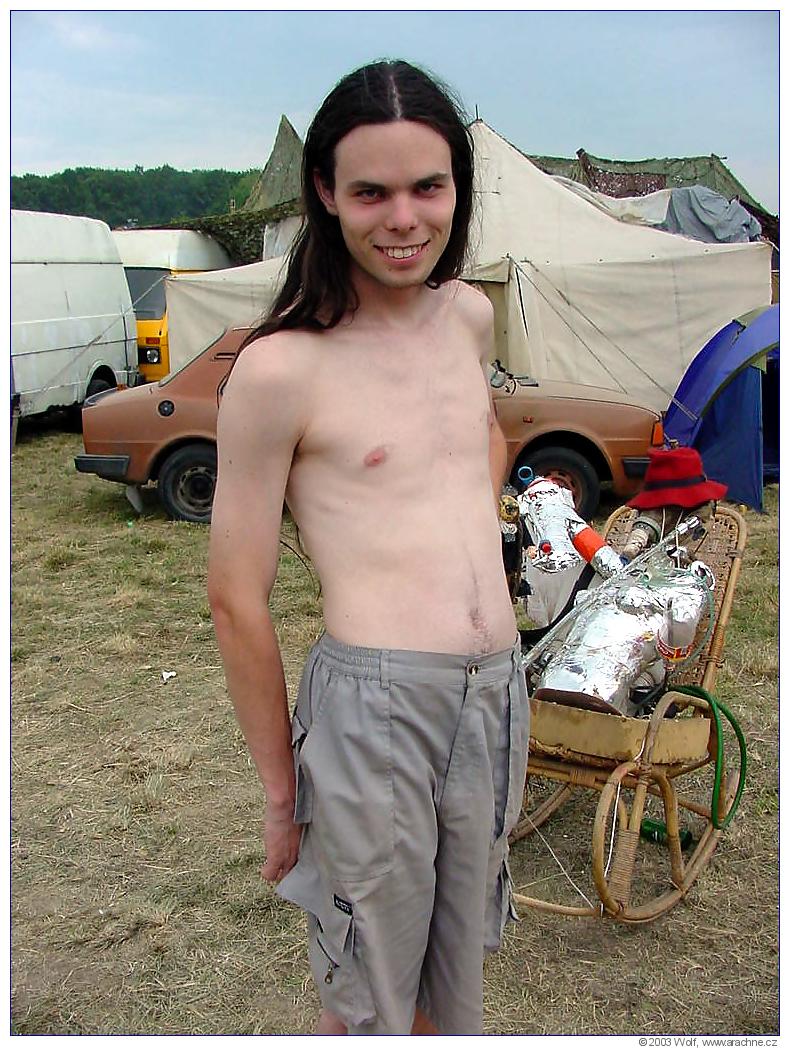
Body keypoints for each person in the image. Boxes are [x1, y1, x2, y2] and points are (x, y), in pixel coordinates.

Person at [207, 59, 529, 1036]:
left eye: (428, 187)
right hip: (378, 711)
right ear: (324, 192)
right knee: (371, 1001)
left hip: (494, 695)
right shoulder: (279, 369)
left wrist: (451, 539)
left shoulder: (467, 315)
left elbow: (482, 435)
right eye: (371, 192)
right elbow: (236, 597)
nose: (403, 219)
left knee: (451, 988)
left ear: (457, 188)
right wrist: (281, 793)